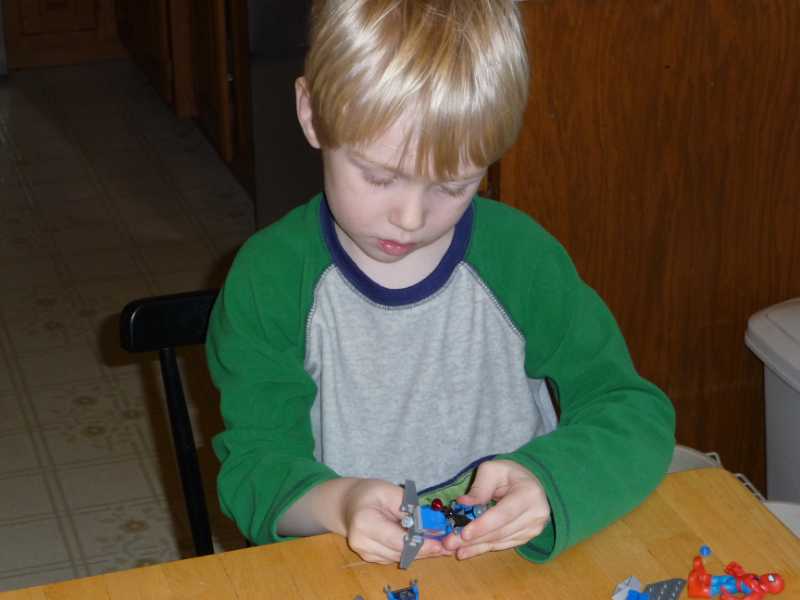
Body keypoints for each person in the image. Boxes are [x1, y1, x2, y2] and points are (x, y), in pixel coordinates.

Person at [206, 0, 676, 566]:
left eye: (453, 186)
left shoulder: (521, 258)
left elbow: (632, 411)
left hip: (512, 566)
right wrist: (340, 504)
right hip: (350, 568)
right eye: (378, 176)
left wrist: (548, 482)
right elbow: (255, 470)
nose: (410, 218)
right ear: (312, 114)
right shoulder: (270, 281)